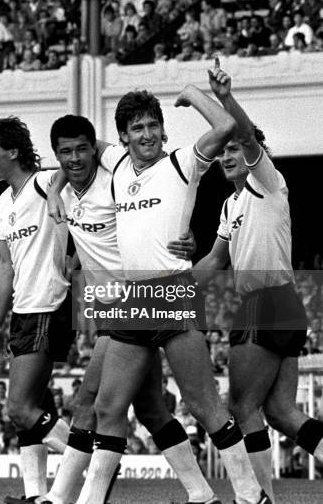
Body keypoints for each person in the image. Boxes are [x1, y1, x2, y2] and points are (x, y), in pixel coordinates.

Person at [72, 67, 271, 504]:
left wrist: (193, 94)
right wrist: (51, 192)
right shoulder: (118, 162)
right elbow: (76, 148)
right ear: (123, 137)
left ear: (163, 130)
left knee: (205, 405)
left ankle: (249, 496)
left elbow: (226, 127)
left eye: (153, 125)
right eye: (137, 127)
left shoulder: (182, 163)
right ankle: (188, 496)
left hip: (171, 294)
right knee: (109, 408)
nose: (147, 134)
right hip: (131, 299)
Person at [39, 114, 221, 504]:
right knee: (152, 409)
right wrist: (54, 191)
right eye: (65, 153)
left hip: (136, 301)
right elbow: (60, 176)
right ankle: (202, 493)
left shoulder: (114, 183)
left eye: (82, 149)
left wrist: (188, 240)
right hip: (110, 308)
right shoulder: (65, 192)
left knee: (91, 399)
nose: (74, 159)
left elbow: (156, 219)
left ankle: (63, 498)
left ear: (97, 149)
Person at [193, 59, 323, 502]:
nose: (226, 157)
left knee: (242, 408)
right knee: (282, 412)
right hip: (283, 305)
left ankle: (258, 499)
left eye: (234, 150)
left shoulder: (268, 183)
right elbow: (213, 261)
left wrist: (222, 99)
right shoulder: (231, 207)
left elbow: (246, 135)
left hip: (264, 303)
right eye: (222, 152)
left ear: (253, 155)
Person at [0, 117, 74, 504]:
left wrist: (55, 193)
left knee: (18, 407)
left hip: (49, 304)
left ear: (13, 151)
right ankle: (35, 494)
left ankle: (96, 457)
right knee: (32, 405)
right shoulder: (2, 203)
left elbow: (76, 166)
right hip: (23, 310)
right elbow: (5, 267)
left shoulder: (44, 182)